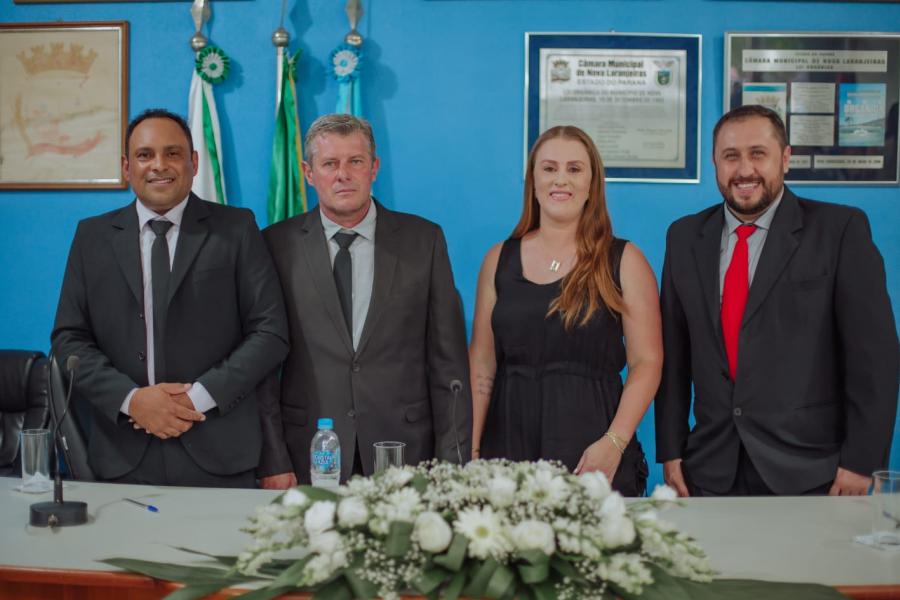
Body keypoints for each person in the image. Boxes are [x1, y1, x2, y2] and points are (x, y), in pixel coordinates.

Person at [656, 105, 898, 497]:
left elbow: (875, 359)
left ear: (785, 159)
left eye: (758, 154)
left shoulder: (840, 230)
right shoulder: (683, 237)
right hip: (710, 467)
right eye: (730, 156)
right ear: (715, 163)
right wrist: (671, 450)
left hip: (812, 469)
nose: (744, 170)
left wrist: (861, 461)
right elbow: (674, 354)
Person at [51, 109, 289, 487]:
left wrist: (196, 399)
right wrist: (132, 401)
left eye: (172, 153)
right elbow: (69, 340)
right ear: (127, 167)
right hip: (122, 454)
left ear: (193, 162)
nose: (159, 165)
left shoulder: (237, 228)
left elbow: (270, 332)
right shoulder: (91, 237)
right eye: (145, 155)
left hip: (220, 450)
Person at [257, 114, 471, 488]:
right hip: (307, 452)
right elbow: (262, 365)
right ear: (308, 173)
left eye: (355, 161)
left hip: (406, 454)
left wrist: (452, 466)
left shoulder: (424, 241)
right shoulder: (276, 244)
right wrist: (272, 459)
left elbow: (448, 364)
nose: (343, 174)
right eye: (329, 163)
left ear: (374, 168)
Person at [469, 126, 662, 496]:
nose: (561, 179)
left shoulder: (624, 260)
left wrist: (614, 443)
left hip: (593, 456)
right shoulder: (498, 260)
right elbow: (482, 364)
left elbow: (647, 362)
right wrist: (473, 451)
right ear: (533, 181)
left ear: (592, 184)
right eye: (549, 168)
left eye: (574, 169)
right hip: (506, 454)